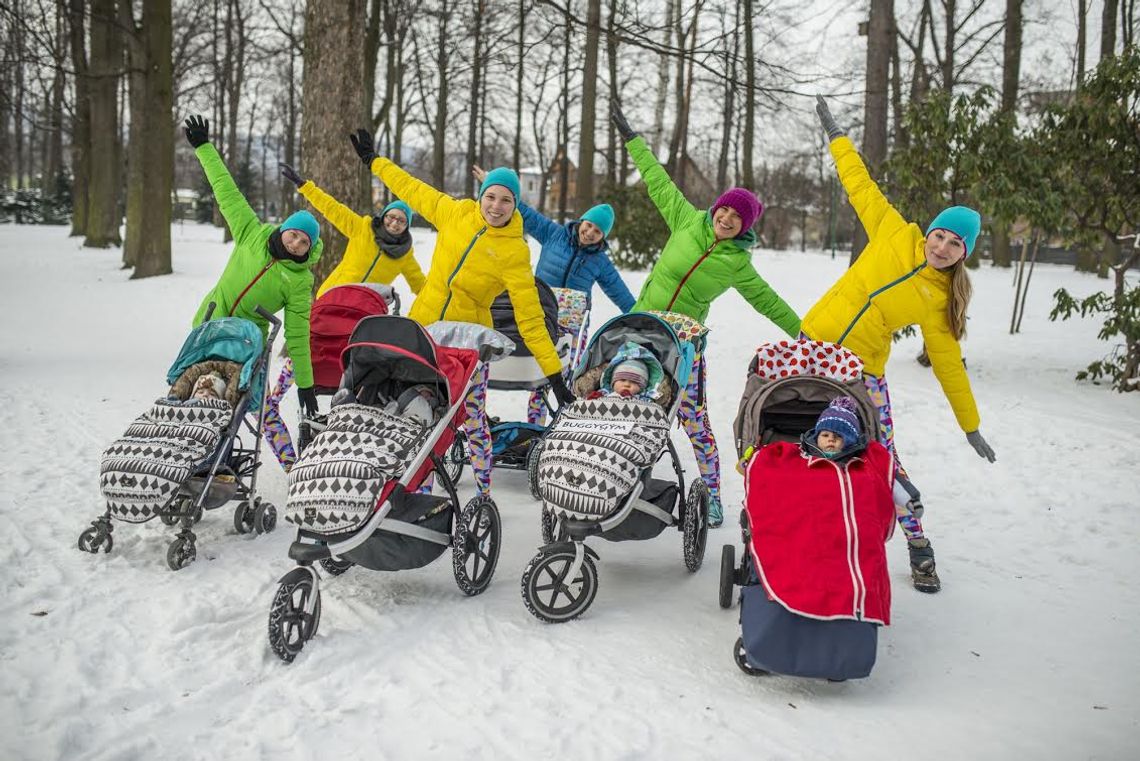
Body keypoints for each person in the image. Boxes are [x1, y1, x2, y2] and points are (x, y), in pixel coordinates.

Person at [803, 95, 998, 593]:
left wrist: (970, 426)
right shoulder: (892, 230)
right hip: (809, 347)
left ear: (964, 255)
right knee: (791, 441)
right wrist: (836, 137)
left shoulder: (940, 302)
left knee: (882, 454)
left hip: (861, 370)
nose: (943, 247)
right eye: (941, 235)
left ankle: (917, 543)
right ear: (929, 230)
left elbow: (950, 366)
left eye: (956, 244)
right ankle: (801, 531)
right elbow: (858, 183)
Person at [349, 128, 571, 497]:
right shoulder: (455, 213)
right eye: (491, 196)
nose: (496, 206)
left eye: (505, 200)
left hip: (469, 343)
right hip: (425, 329)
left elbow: (530, 317)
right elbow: (412, 189)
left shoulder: (515, 252)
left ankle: (483, 495)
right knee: (416, 415)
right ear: (481, 196)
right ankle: (412, 494)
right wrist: (375, 162)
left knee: (471, 419)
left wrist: (556, 377)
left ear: (515, 205)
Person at [611, 104, 801, 528]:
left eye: (737, 217)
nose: (727, 218)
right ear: (716, 207)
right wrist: (632, 140)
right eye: (725, 210)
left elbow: (766, 300)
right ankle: (611, 475)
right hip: (641, 329)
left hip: (685, 342)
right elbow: (657, 180)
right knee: (621, 400)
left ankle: (713, 494)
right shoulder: (685, 219)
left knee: (693, 418)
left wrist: (803, 332)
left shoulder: (738, 263)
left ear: (745, 226)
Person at [259, 163, 428, 471]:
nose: (394, 223)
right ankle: (283, 429)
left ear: (407, 226)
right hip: (329, 305)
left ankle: (354, 429)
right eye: (391, 216)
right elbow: (332, 209)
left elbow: (424, 288)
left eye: (401, 221)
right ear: (383, 216)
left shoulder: (405, 256)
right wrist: (305, 186)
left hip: (363, 321)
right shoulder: (362, 227)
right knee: (304, 353)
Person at [183, 115, 323, 469]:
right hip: (209, 328)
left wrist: (306, 385)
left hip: (247, 345)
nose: (295, 243)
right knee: (197, 391)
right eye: (294, 234)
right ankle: (193, 457)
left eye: (304, 242)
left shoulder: (300, 280)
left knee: (252, 405)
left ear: (308, 250)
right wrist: (204, 147)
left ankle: (294, 468)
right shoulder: (251, 232)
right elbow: (226, 191)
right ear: (284, 229)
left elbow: (297, 333)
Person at [471, 165, 636, 424]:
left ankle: (552, 424)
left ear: (603, 236)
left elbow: (620, 292)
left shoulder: (601, 262)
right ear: (582, 221)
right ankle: (534, 424)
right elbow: (525, 212)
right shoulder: (554, 234)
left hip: (571, 324)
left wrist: (639, 315)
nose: (590, 233)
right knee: (537, 371)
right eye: (589, 225)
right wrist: (492, 182)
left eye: (597, 231)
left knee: (561, 378)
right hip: (541, 313)